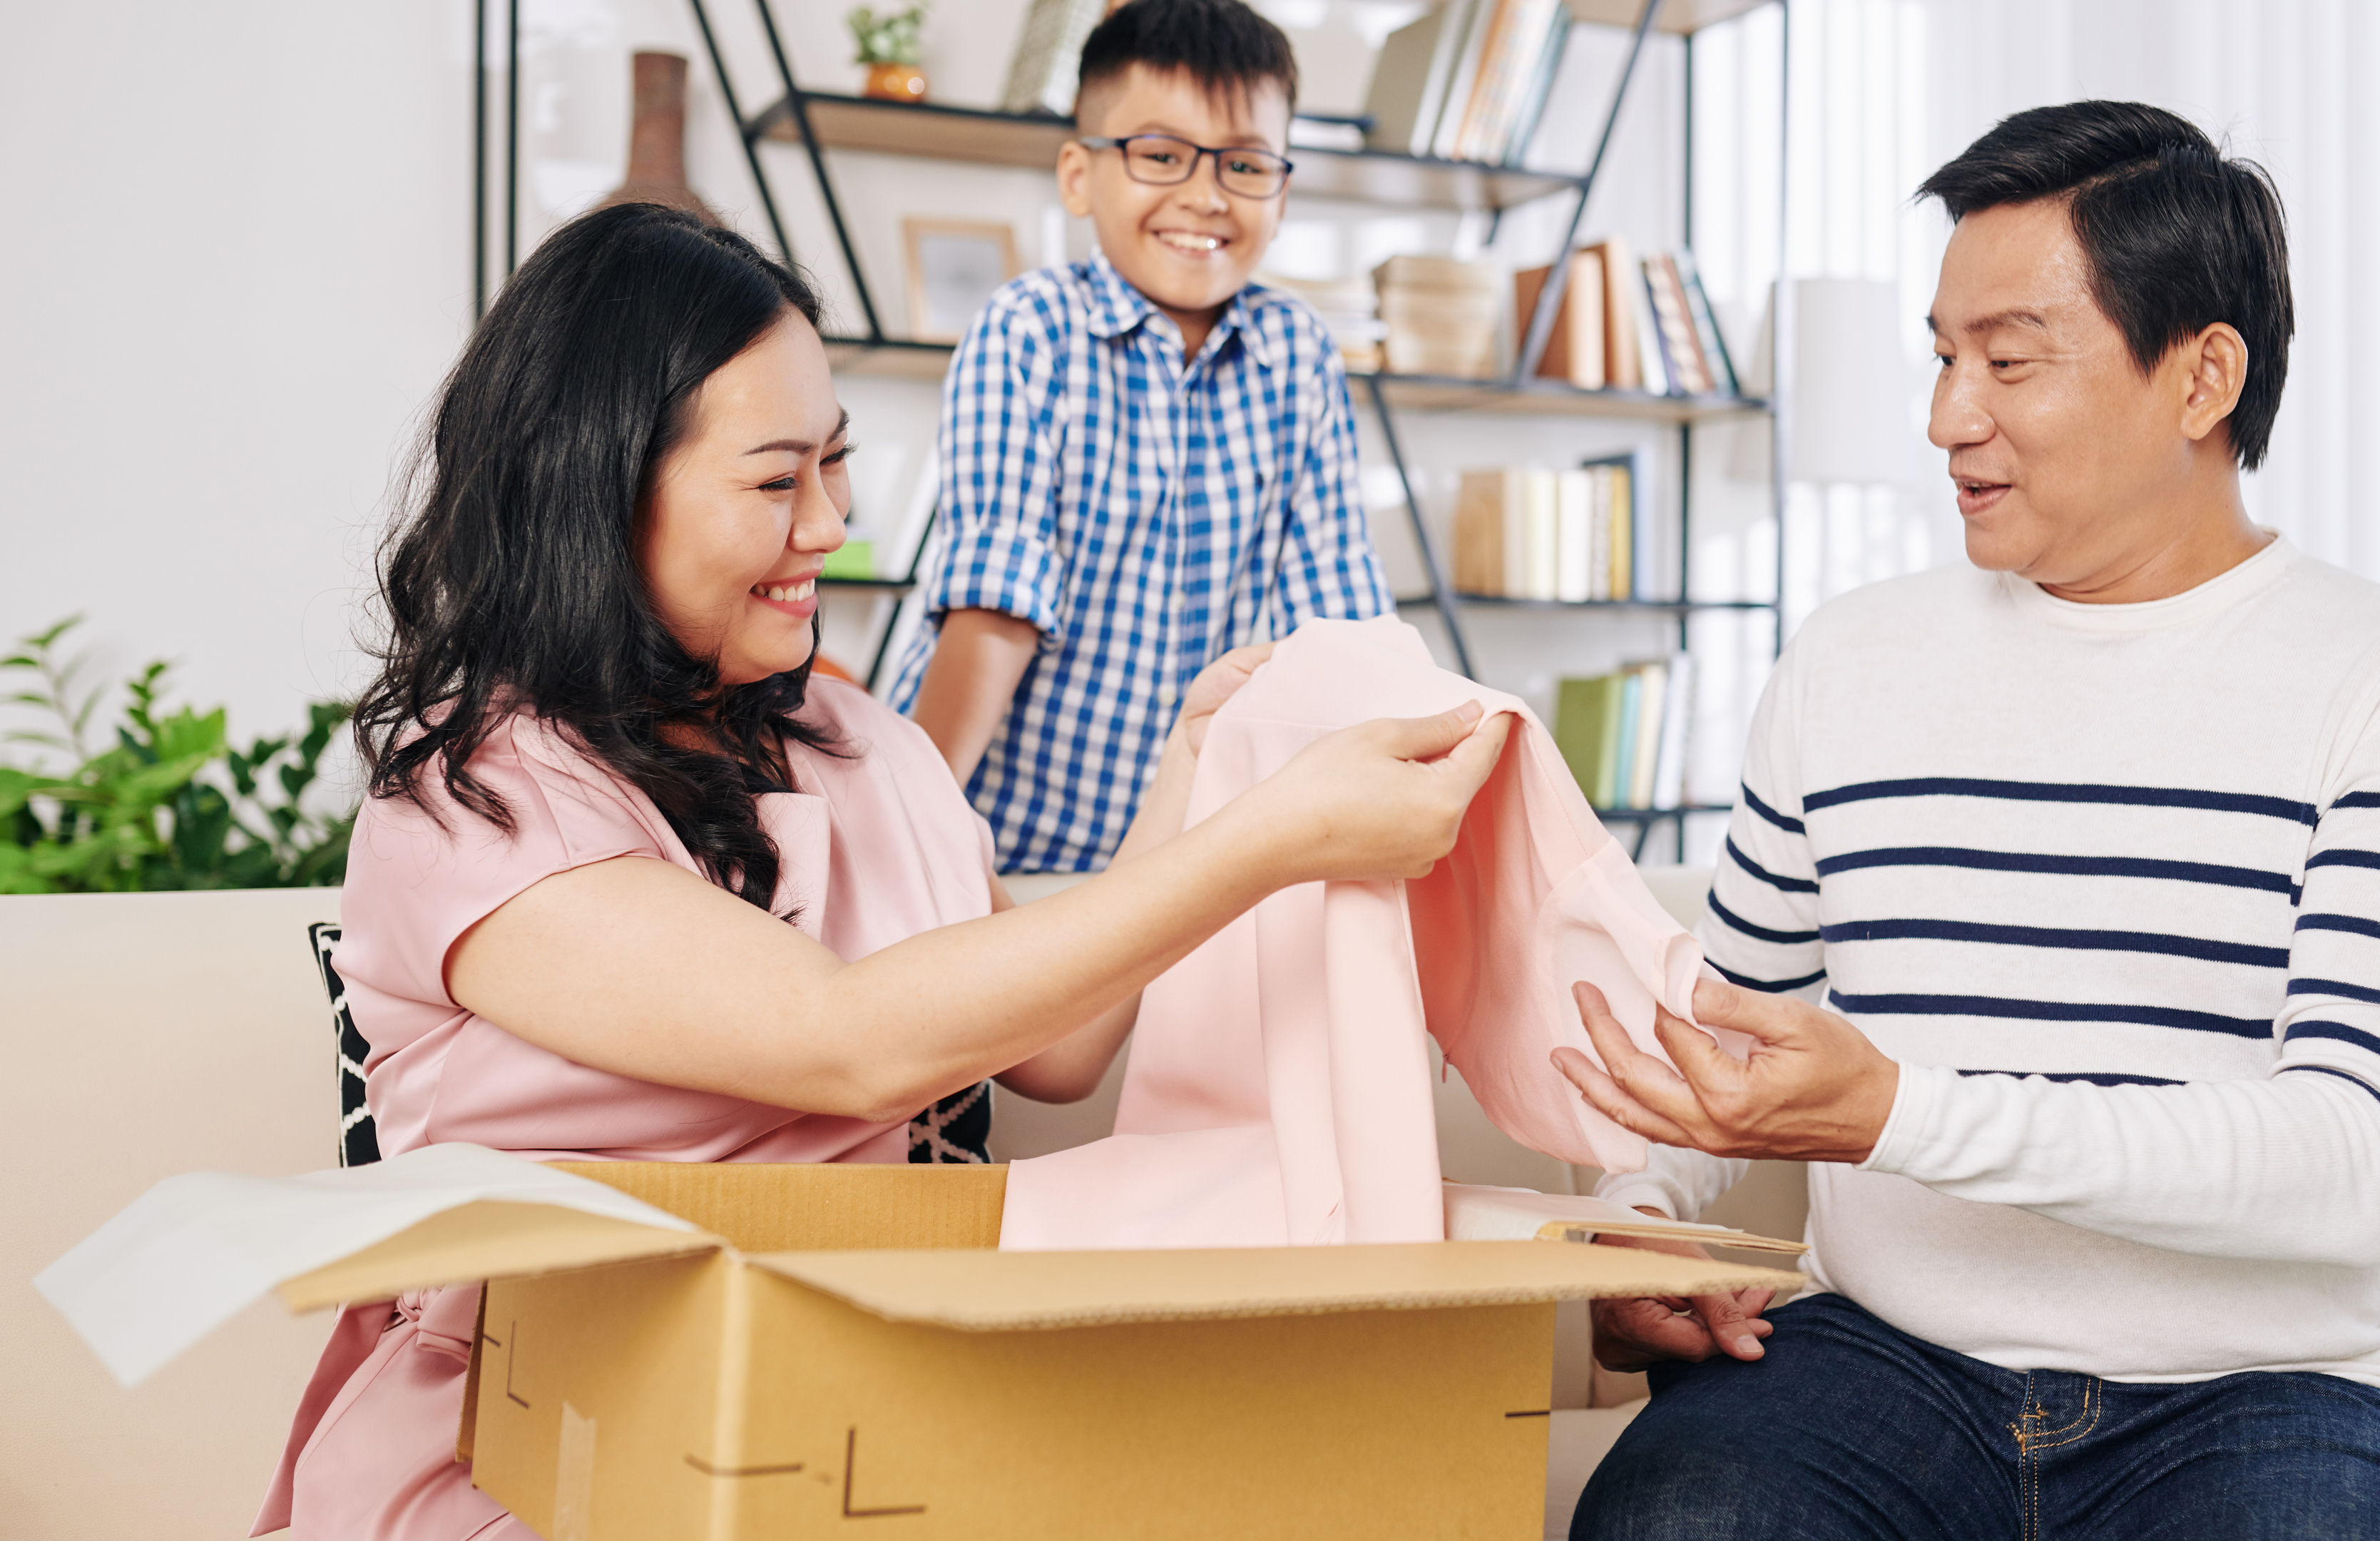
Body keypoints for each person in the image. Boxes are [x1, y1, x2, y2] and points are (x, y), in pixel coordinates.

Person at [255, 201, 1508, 1541]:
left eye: (839, 466)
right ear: (599, 490)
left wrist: (1192, 783)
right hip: (533, 1431)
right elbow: (849, 1044)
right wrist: (1267, 846)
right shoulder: (478, 798)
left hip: (844, 1397)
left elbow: (1060, 1051)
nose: (832, 524)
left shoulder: (865, 747)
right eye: (777, 479)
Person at [1552, 102, 2380, 1540]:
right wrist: (1637, 1219)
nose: (1951, 415)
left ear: (2203, 376)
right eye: (1945, 358)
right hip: (1871, 1366)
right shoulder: (1848, 659)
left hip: (2262, 1394)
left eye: (2010, 361)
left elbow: (2356, 1161)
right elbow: (1720, 1040)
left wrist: (1902, 1114)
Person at [882, 0, 1391, 874]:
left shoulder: (1298, 352)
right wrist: (909, 835)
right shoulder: (1028, 329)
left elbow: (1336, 618)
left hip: (1176, 858)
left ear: (1282, 187)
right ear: (1079, 175)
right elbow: (995, 607)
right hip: (994, 839)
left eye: (1245, 164)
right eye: (1160, 155)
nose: (1205, 195)